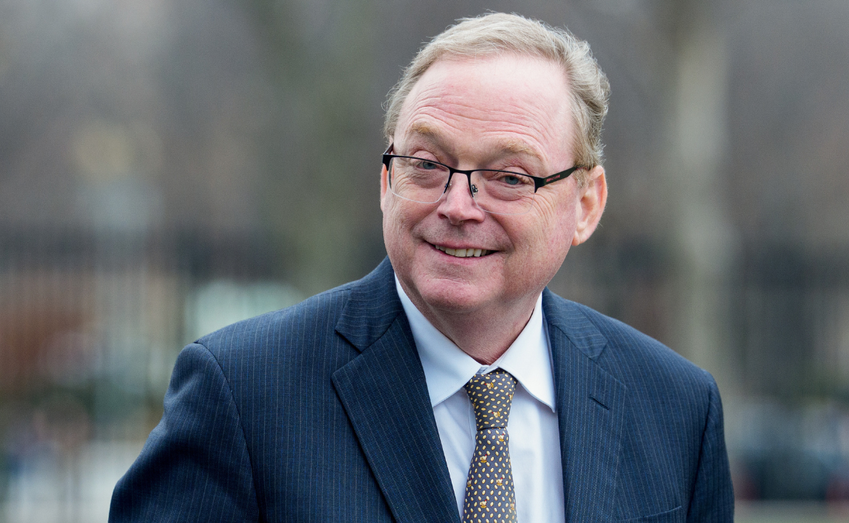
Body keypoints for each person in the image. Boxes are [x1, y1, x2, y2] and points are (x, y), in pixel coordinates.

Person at [109, 12, 733, 523]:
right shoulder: (244, 397)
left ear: (586, 205)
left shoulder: (675, 408)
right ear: (386, 181)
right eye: (427, 164)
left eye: (509, 176)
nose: (458, 206)